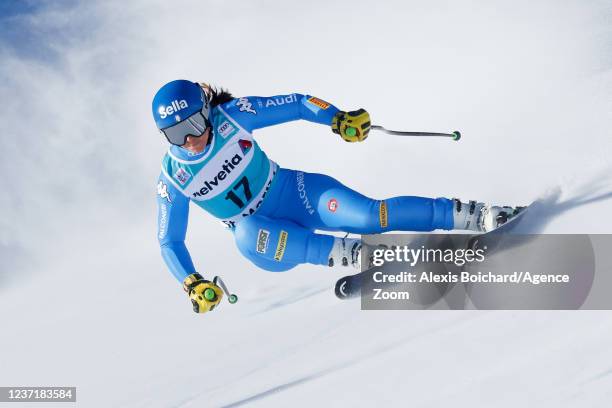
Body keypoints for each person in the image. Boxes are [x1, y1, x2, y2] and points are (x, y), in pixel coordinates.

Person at [154, 80, 521, 313]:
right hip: (268, 241)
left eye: (194, 125)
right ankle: (368, 258)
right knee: (246, 232)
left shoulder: (233, 117)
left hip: (292, 191)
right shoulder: (173, 177)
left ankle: (478, 215)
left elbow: (297, 102)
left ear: (206, 111)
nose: (189, 139)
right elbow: (169, 239)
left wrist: (337, 118)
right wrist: (192, 282)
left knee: (369, 216)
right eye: (175, 134)